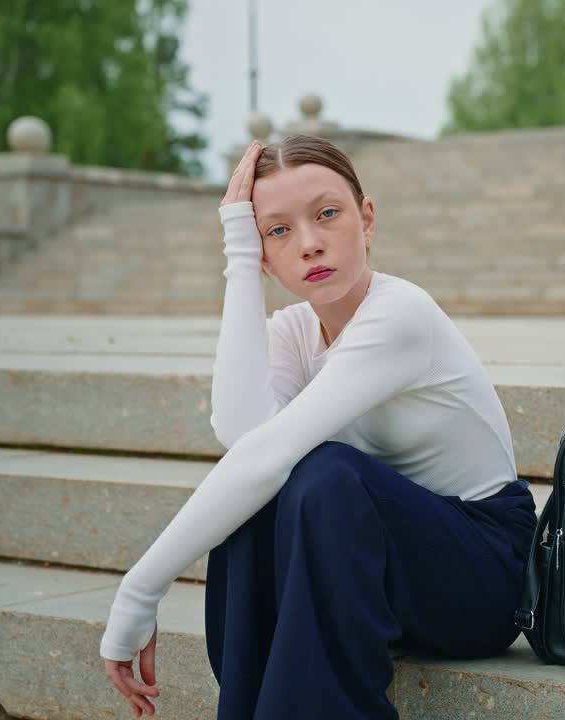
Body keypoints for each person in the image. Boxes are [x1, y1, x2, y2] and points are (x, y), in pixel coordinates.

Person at [99, 134, 536, 719]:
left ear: (367, 219)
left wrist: (141, 589)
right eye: (277, 231)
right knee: (264, 487)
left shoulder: (400, 314)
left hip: (480, 573)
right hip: (374, 569)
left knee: (322, 472)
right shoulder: (292, 331)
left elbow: (263, 455)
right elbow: (242, 435)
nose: (308, 244)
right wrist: (238, 261)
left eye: (327, 214)